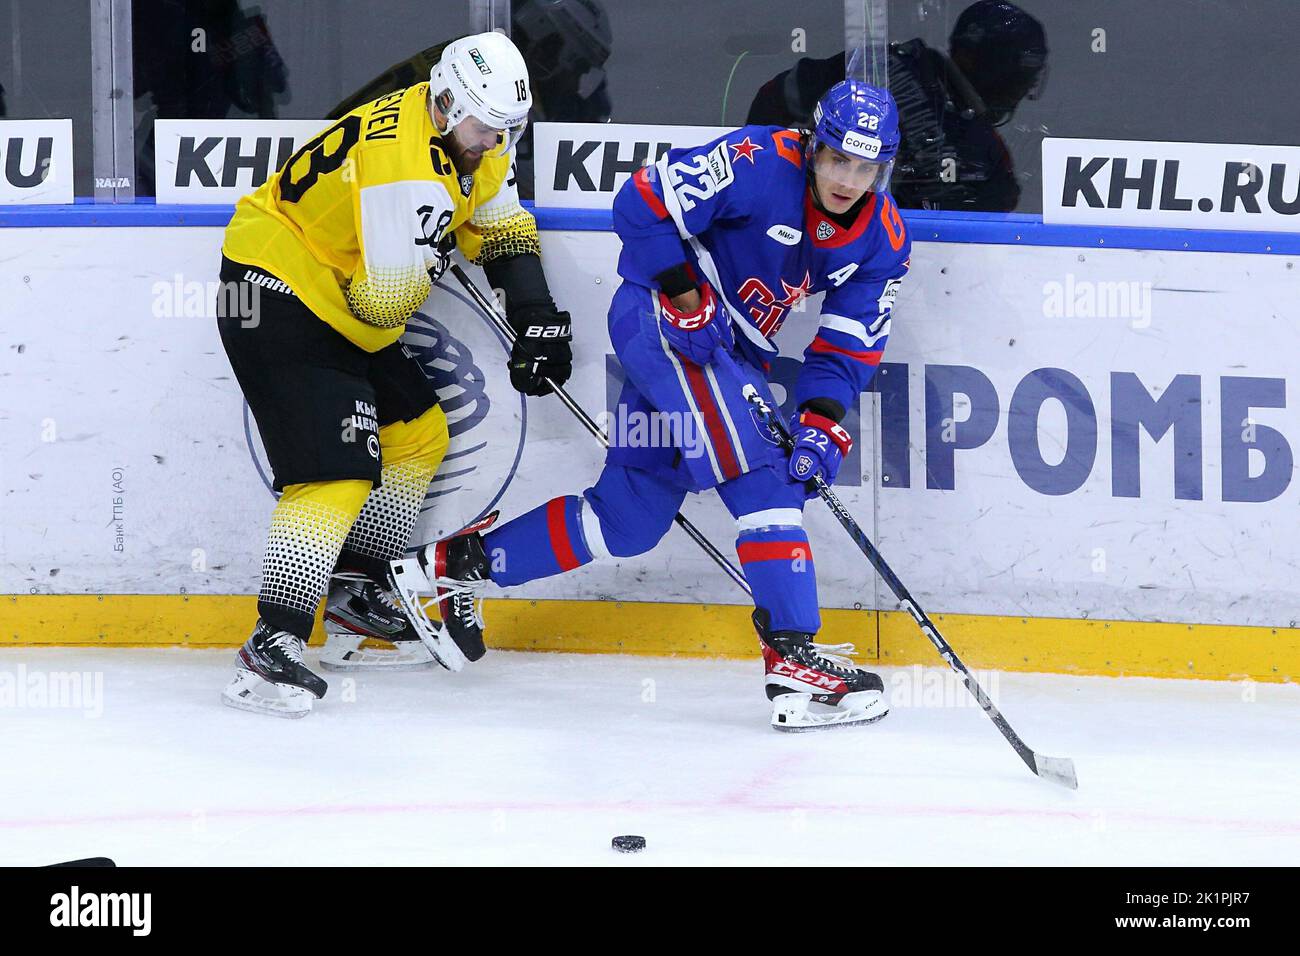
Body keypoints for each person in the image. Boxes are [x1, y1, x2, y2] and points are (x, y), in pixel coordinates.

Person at [410, 78, 912, 731]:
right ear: (815, 146)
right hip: (663, 321)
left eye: (866, 167)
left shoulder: (883, 240)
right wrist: (682, 292)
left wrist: (820, 424)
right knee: (762, 467)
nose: (849, 178)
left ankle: (448, 569)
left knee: (627, 519)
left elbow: (847, 348)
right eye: (839, 158)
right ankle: (793, 657)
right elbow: (643, 200)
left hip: (729, 354)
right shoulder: (759, 162)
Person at [217, 31, 573, 717]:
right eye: (483, 128)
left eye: (507, 131)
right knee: (335, 471)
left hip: (337, 299)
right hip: (275, 289)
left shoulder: (473, 134)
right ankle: (273, 643)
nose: (493, 145)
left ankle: (355, 594)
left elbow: (500, 226)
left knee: (417, 433)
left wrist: (536, 314)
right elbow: (384, 303)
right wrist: (440, 246)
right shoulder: (401, 163)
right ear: (443, 103)